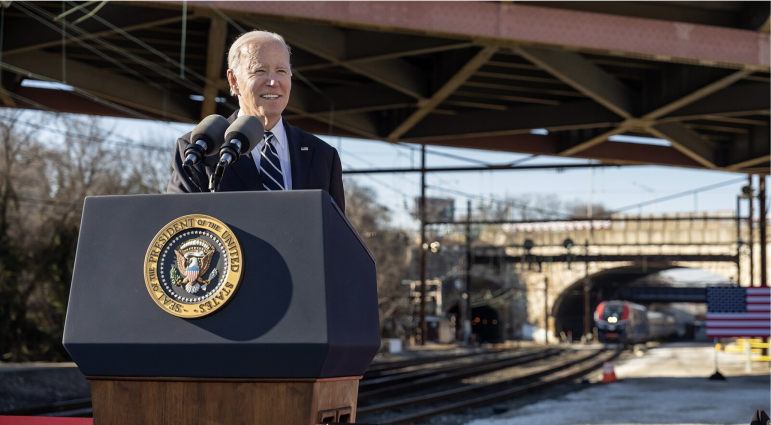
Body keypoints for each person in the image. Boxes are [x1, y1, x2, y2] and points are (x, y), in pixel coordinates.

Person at [166, 30, 345, 214]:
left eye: (281, 71)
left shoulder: (323, 156)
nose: (274, 82)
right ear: (234, 80)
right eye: (260, 70)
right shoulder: (199, 149)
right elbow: (180, 232)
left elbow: (337, 236)